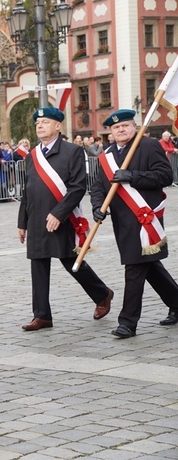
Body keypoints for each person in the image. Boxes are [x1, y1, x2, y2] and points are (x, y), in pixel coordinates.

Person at [17, 107, 114, 331]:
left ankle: (102, 293)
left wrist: (59, 214)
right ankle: (42, 316)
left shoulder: (72, 151)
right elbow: (27, 190)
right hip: (36, 218)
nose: (39, 126)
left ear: (58, 126)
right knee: (38, 264)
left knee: (71, 261)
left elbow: (78, 187)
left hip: (63, 217)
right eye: (37, 123)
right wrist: (22, 222)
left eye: (45, 122)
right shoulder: (33, 155)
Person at [90, 109, 178, 338]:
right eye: (116, 128)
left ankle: (127, 323)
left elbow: (165, 176)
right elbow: (99, 186)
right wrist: (98, 208)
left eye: (125, 126)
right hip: (123, 222)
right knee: (150, 268)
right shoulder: (106, 155)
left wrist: (133, 176)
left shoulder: (148, 146)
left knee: (135, 268)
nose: (121, 130)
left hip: (145, 218)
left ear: (134, 127)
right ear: (110, 133)